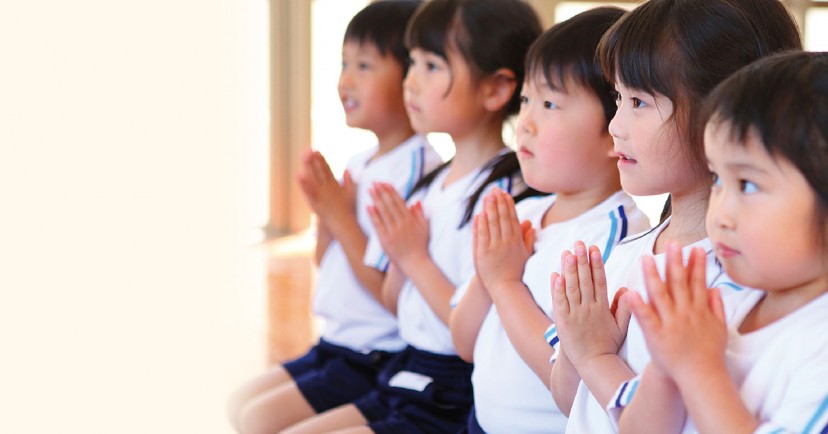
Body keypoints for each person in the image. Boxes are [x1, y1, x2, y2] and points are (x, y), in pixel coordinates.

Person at [281, 1, 542, 433]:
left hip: (449, 388)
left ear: (495, 89)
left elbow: (476, 333)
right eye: (412, 63)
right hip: (407, 369)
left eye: (432, 65)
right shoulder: (431, 184)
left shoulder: (507, 192)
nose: (411, 81)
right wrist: (393, 253)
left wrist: (412, 257)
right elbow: (395, 302)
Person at [546, 0, 802, 432]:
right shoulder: (627, 251)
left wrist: (597, 356)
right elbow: (572, 401)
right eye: (617, 98)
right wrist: (579, 348)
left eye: (639, 102)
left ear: (721, 111)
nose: (615, 125)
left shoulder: (742, 277)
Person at [227, 2, 443, 433]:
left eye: (364, 65)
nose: (345, 80)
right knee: (238, 403)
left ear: (410, 79)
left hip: (374, 353)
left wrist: (339, 216)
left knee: (257, 420)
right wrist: (325, 216)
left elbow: (388, 291)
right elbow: (325, 262)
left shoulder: (419, 167)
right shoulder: (362, 161)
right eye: (344, 63)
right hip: (335, 343)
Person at [448, 7, 651, 434]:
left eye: (550, 103)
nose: (526, 123)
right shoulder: (522, 215)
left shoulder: (612, 239)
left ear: (613, 127)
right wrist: (490, 277)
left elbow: (566, 383)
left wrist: (505, 284)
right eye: (525, 100)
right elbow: (464, 344)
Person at [619, 50, 828, 434]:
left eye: (747, 184)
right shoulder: (724, 297)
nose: (720, 213)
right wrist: (668, 366)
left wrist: (698, 368)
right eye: (717, 179)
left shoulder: (818, 345)